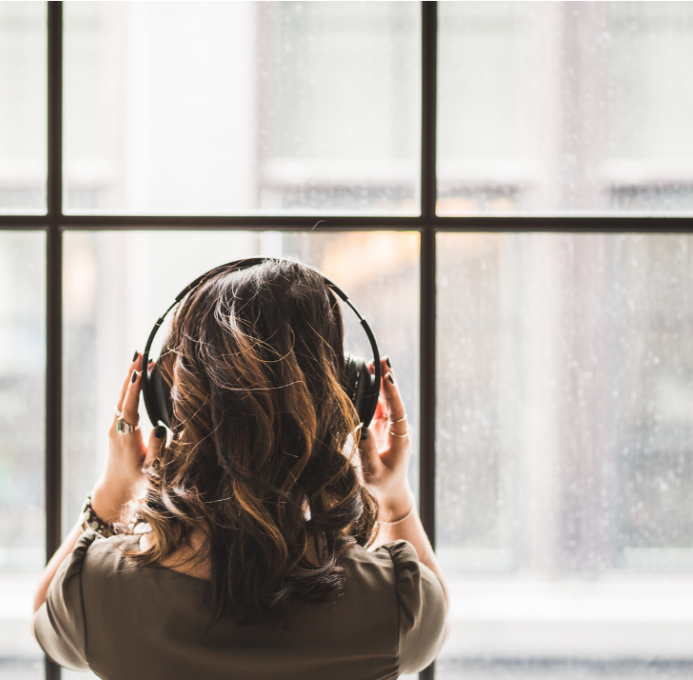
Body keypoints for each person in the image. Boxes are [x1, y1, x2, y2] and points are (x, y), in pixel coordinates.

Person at [32, 258, 448, 679]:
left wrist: (113, 491)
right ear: (348, 399)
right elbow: (435, 628)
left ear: (165, 405)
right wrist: (395, 498)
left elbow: (46, 617)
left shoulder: (98, 593)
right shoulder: (394, 605)